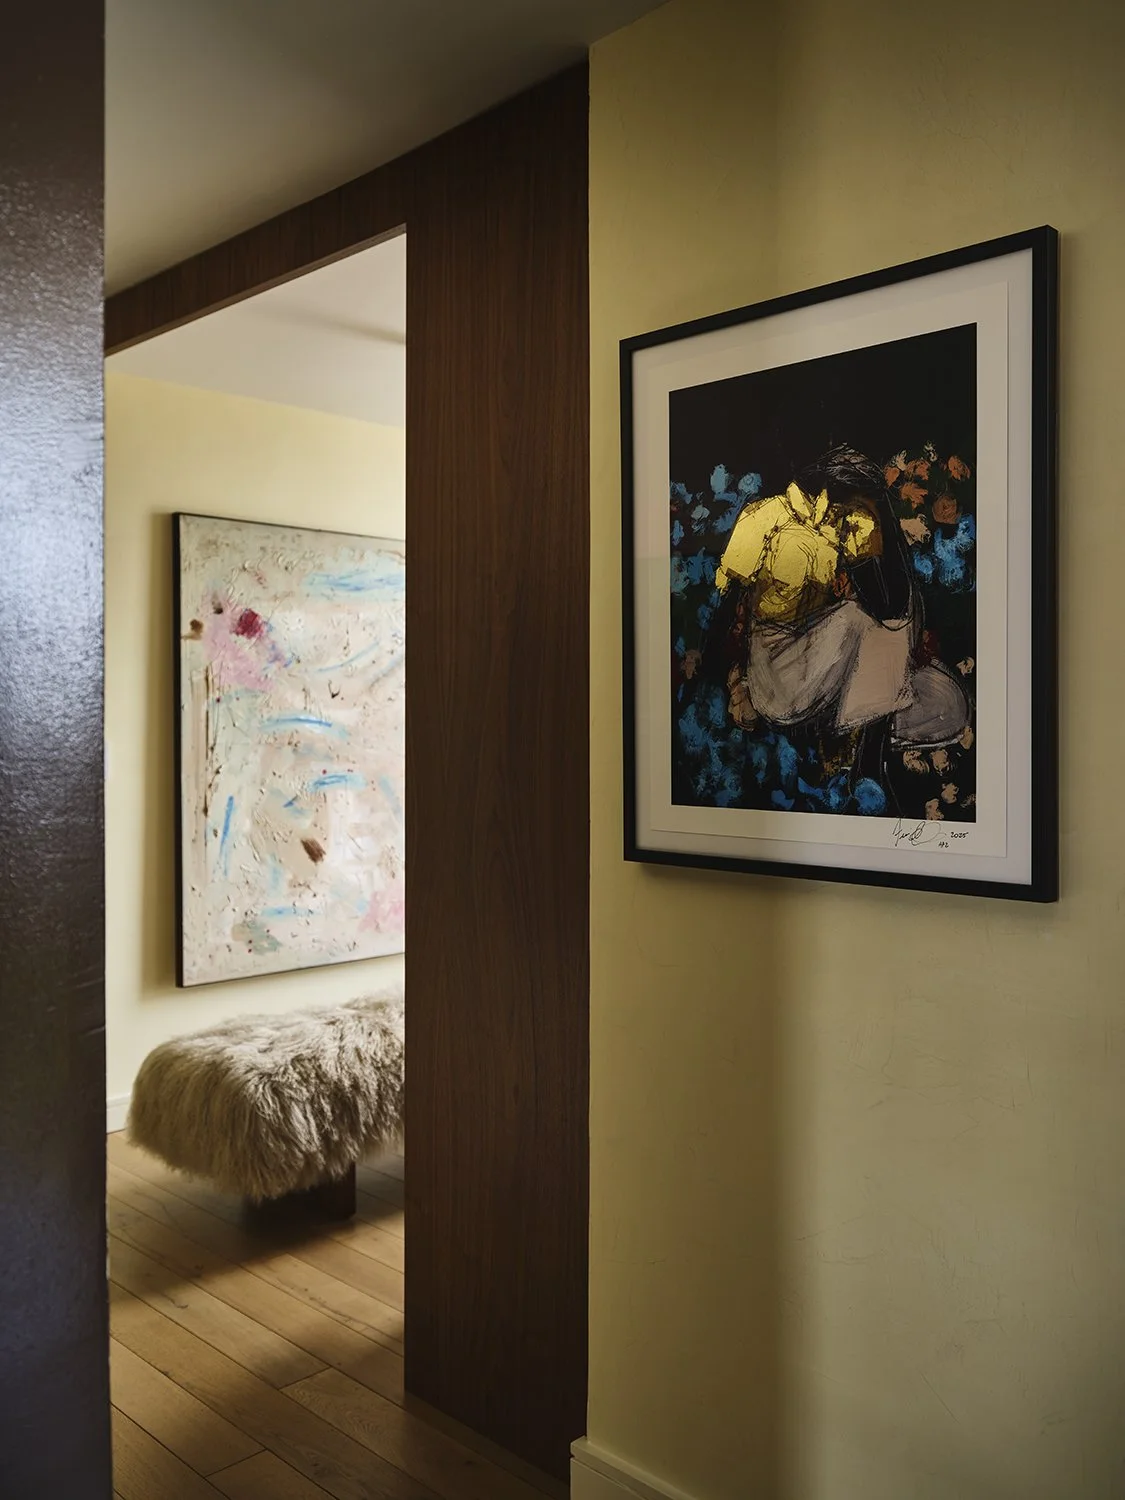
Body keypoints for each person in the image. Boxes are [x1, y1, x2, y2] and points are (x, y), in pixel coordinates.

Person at [709, 444, 969, 796]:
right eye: (862, 504)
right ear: (830, 492)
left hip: (835, 668)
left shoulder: (851, 524)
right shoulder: (765, 515)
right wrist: (724, 680)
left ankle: (858, 741)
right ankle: (868, 761)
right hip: (777, 671)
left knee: (948, 702)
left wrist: (883, 520)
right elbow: (725, 603)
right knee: (859, 620)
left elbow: (890, 605)